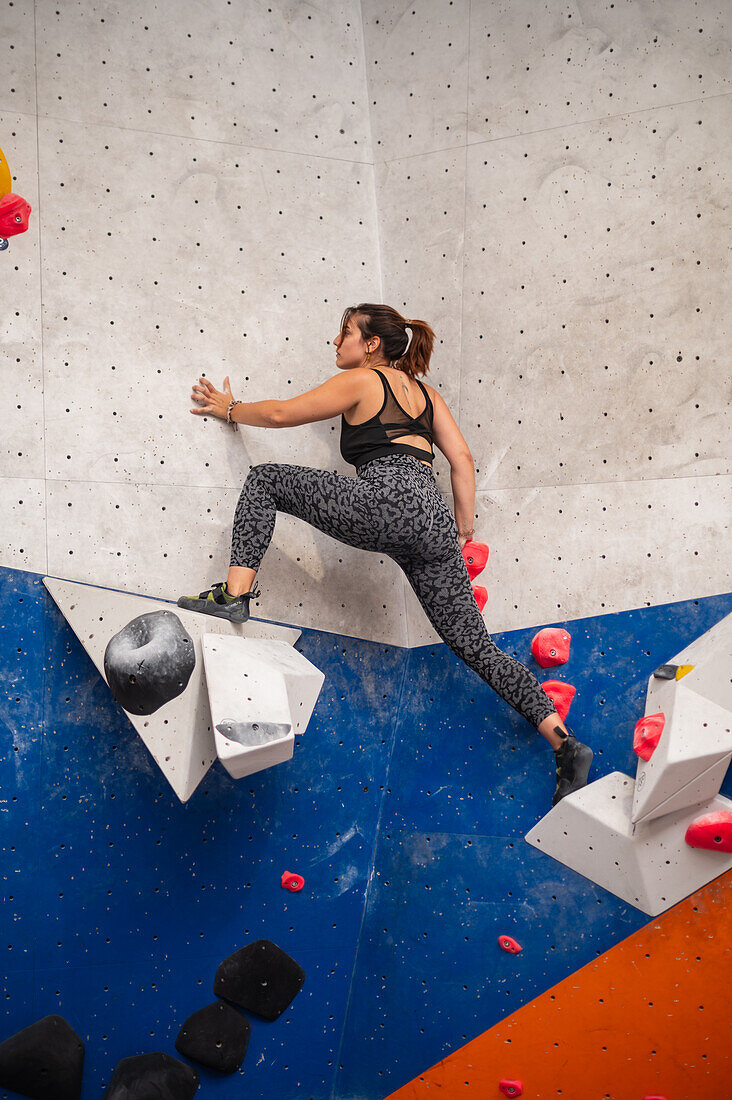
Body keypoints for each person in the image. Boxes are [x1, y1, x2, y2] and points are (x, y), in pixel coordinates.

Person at [177, 303, 592, 806]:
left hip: (384, 501)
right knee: (475, 645)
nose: (336, 342)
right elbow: (462, 460)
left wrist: (229, 408)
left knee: (266, 481)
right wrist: (463, 535)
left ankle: (233, 597)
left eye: (344, 333)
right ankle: (563, 743)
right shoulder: (428, 396)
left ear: (371, 344)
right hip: (434, 526)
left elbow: (284, 413)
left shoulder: (364, 380)